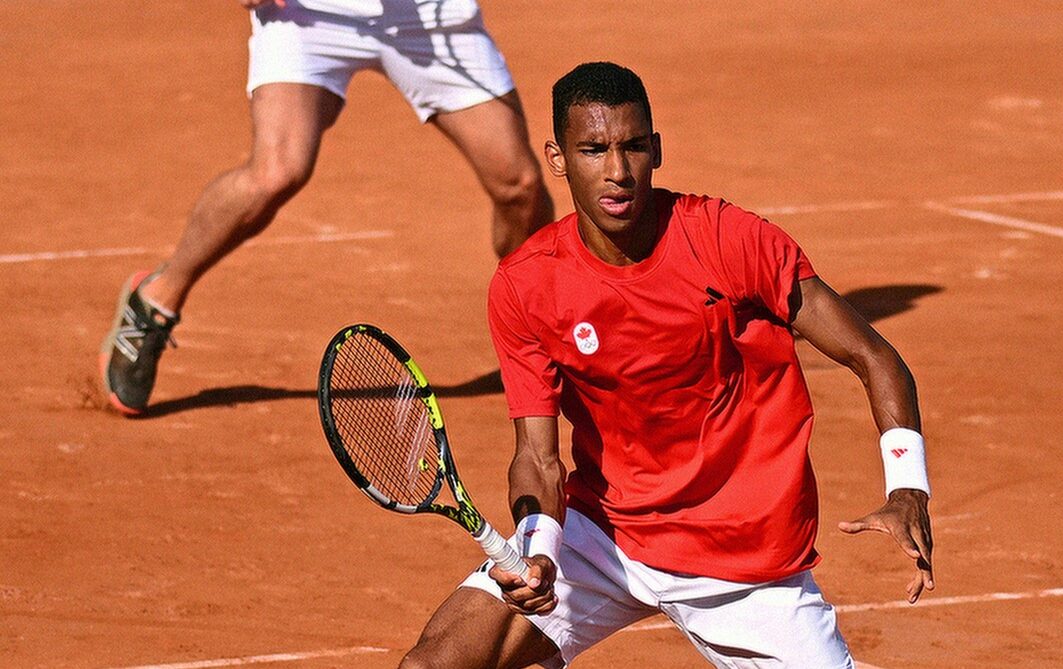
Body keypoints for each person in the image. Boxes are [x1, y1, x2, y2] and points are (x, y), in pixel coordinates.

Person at [400, 62, 935, 669]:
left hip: (741, 554)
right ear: (557, 157)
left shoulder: (729, 240)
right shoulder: (527, 283)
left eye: (632, 147)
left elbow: (873, 354)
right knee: (433, 665)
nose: (617, 171)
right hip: (603, 534)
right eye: (594, 150)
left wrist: (907, 486)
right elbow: (537, 456)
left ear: (655, 149)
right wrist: (541, 546)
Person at [99, 0, 554, 415]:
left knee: (520, 184)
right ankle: (157, 297)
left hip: (428, 20)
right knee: (276, 171)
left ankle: (532, 340)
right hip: (309, 13)